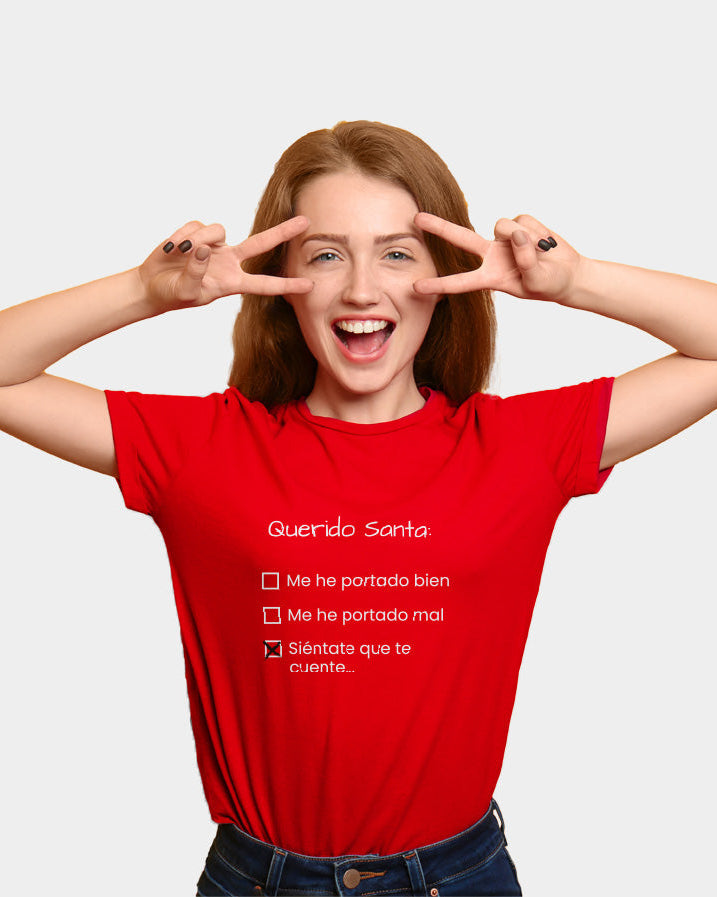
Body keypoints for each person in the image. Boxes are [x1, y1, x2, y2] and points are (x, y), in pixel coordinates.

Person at [1, 120, 716, 897]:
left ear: (446, 274)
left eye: (397, 252)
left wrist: (572, 282)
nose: (362, 290)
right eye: (327, 255)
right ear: (282, 279)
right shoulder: (203, 447)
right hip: (259, 879)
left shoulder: (518, 445)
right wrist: (146, 291)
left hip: (455, 876)